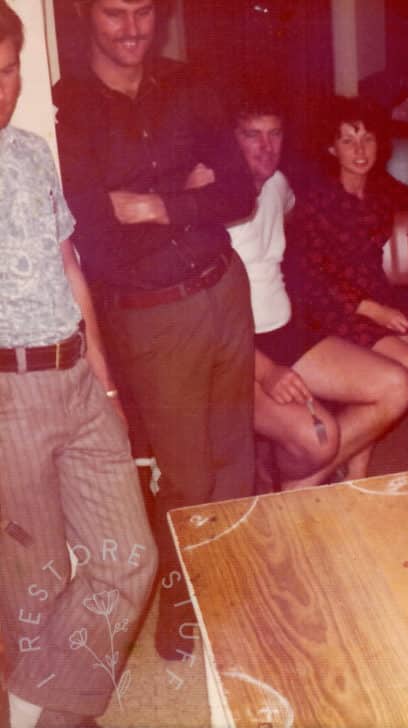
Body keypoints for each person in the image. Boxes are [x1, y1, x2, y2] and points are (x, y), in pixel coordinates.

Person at [51, 0, 257, 660]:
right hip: (150, 315)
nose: (133, 29)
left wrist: (153, 202)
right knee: (188, 476)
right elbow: (91, 223)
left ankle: (230, 586)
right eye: (115, 14)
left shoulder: (189, 85)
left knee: (236, 460)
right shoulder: (66, 108)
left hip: (225, 287)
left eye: (144, 12)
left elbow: (239, 192)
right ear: (85, 14)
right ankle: (180, 597)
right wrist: (187, 191)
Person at [0, 5, 156, 726]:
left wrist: (107, 378)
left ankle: (39, 704)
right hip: (9, 396)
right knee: (35, 589)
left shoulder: (31, 151)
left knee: (129, 560)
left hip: (76, 376)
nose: (2, 91)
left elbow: (70, 264)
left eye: (8, 73)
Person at [223, 94, 408, 486]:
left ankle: (295, 485)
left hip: (285, 330)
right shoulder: (212, 200)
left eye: (274, 134)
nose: (266, 147)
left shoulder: (279, 185)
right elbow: (209, 319)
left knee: (397, 385)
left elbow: (307, 214)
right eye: (252, 136)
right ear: (232, 140)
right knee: (318, 439)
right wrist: (266, 371)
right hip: (237, 350)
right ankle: (290, 475)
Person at [284, 96, 408, 414]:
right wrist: (372, 310)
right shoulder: (317, 199)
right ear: (332, 148)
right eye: (348, 141)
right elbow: (313, 275)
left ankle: (357, 433)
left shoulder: (378, 187)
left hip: (379, 298)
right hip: (333, 308)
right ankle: (353, 452)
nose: (360, 150)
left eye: (367, 139)